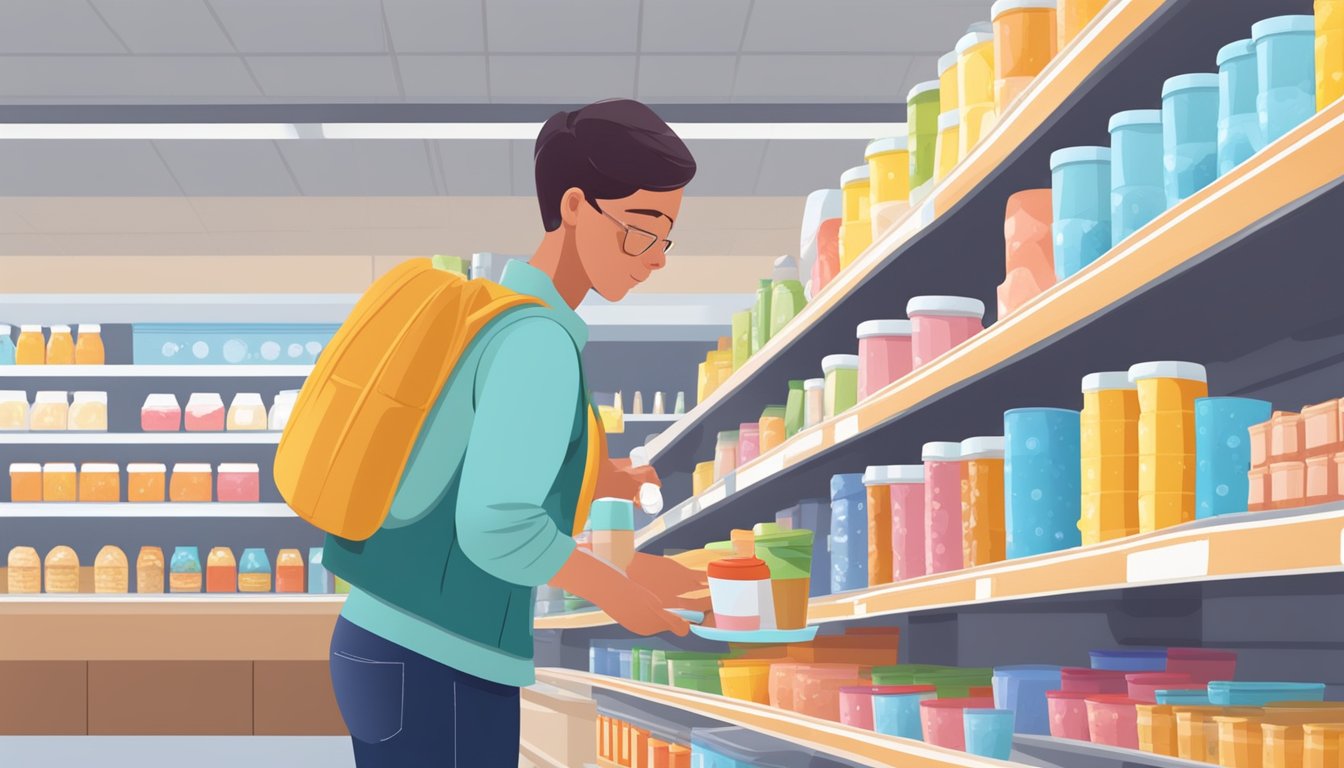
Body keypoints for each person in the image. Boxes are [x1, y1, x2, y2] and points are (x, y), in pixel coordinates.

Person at [323, 99, 708, 767]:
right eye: (641, 230)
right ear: (575, 208)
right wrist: (622, 594)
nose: (655, 258)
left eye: (665, 237)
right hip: (436, 663)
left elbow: (471, 469)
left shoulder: (500, 317)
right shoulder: (538, 343)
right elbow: (497, 527)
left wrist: (608, 503)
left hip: (393, 647)